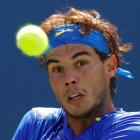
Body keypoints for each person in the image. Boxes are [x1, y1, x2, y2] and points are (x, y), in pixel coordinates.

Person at [12, 7, 140, 140]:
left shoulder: (133, 130)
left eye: (81, 63)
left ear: (110, 67)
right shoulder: (36, 124)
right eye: (57, 69)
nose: (69, 78)